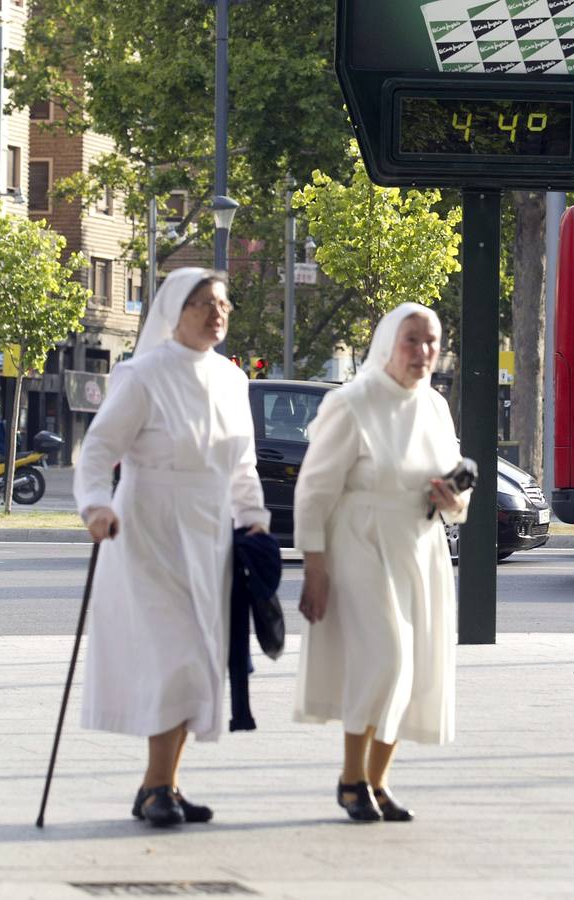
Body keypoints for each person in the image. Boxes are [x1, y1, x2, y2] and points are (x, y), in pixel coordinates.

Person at [74, 267, 270, 828]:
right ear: (174, 310)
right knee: (174, 657)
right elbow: (97, 451)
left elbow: (243, 464)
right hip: (149, 532)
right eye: (205, 303)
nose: (218, 313)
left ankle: (162, 785)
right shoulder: (141, 376)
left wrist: (254, 520)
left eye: (224, 303)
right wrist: (95, 506)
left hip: (210, 535)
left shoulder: (233, 381)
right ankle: (159, 786)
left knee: (199, 662)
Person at [293, 303, 471, 823]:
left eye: (432, 341)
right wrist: (315, 565)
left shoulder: (435, 406)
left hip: (418, 544)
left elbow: (458, 482)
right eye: (412, 340)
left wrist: (452, 497)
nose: (423, 352)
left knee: (414, 667)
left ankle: (378, 781)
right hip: (360, 543)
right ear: (389, 342)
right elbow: (313, 490)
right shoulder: (352, 402)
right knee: (386, 659)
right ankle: (351, 777)